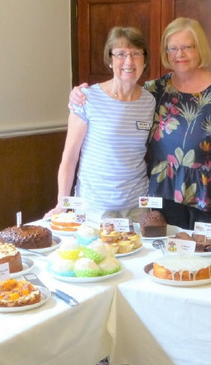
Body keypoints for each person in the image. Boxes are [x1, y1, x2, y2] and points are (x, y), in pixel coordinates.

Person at [70, 18, 211, 235]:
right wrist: (80, 94)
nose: (179, 54)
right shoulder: (156, 90)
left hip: (208, 199)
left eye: (187, 47)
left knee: (207, 260)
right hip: (163, 197)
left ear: (200, 49)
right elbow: (123, 94)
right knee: (167, 258)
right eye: (172, 48)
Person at [46, 27, 155, 226]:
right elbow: (70, 157)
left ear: (144, 60)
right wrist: (62, 203)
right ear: (110, 60)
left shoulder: (150, 101)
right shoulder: (87, 98)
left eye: (136, 54)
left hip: (136, 207)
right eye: (120, 54)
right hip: (94, 209)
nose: (129, 61)